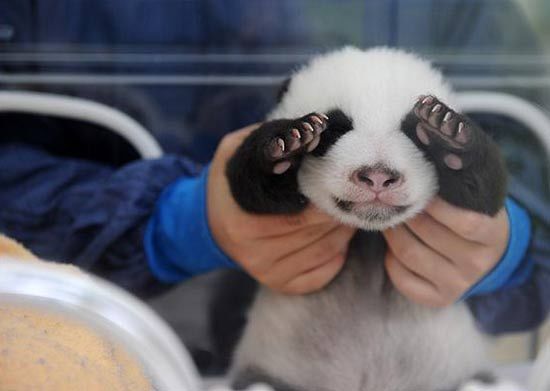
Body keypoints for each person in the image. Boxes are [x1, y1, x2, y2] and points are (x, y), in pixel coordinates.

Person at [0, 0, 548, 370]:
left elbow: (527, 148)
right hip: (127, 357)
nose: (377, 173)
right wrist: (171, 223)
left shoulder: (459, 12)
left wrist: (514, 241)